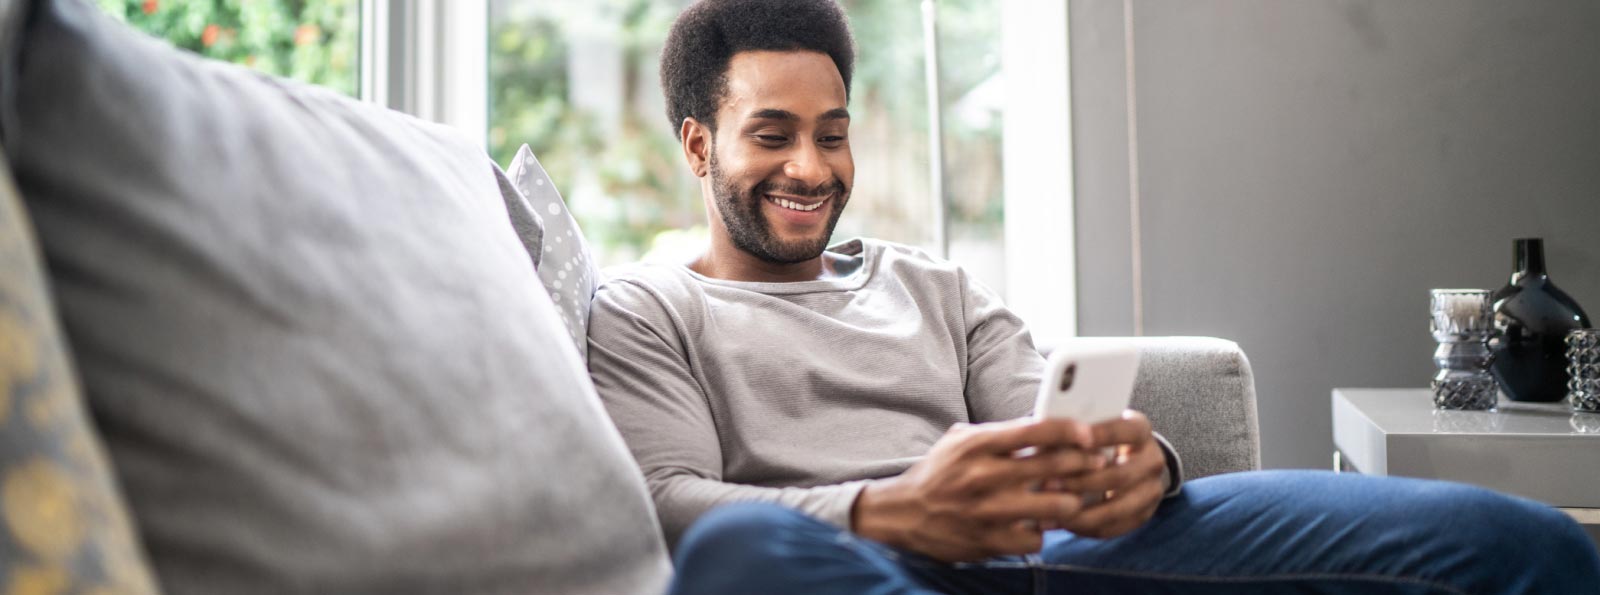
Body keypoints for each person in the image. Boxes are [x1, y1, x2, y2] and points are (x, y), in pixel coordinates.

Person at [586, 1, 1600, 593]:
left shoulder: (928, 281)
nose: (810, 167)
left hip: (1060, 549)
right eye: (772, 134)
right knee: (739, 553)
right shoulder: (646, 308)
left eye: (833, 131)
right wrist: (898, 508)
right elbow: (668, 500)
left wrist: (1141, 460)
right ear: (697, 144)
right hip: (864, 560)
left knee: (1529, 546)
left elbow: (1050, 405)